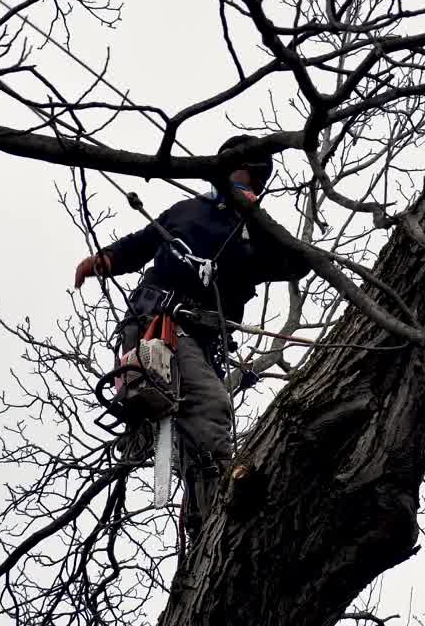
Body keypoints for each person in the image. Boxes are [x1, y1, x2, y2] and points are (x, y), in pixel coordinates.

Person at [72, 135, 310, 541]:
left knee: (201, 425)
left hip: (204, 340)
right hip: (160, 324)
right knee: (213, 404)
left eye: (248, 177)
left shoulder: (253, 235)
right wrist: (103, 260)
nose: (241, 182)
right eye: (235, 173)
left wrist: (255, 217)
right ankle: (220, 496)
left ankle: (202, 512)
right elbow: (143, 243)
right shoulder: (187, 211)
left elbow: (298, 262)